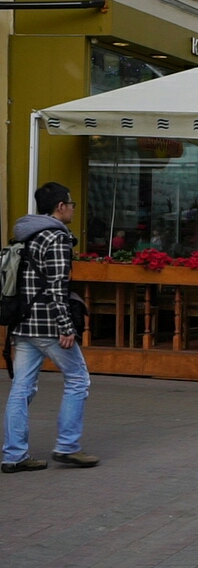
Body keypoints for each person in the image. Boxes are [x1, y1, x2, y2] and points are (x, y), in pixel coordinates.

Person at [3, 183, 98, 474]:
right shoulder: (56, 237)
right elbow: (58, 286)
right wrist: (66, 326)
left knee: (21, 388)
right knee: (78, 379)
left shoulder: (27, 234)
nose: (72, 209)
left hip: (23, 322)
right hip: (48, 324)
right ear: (60, 206)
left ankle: (14, 455)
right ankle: (68, 447)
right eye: (71, 204)